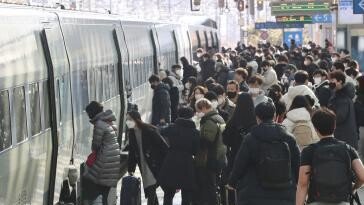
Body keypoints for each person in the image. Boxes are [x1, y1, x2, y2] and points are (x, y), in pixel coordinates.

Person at [227, 102, 300, 205]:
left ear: (257, 117)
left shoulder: (251, 138)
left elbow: (240, 164)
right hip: (285, 191)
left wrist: (232, 182)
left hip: (253, 192)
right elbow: (297, 164)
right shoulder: (289, 138)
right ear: (275, 115)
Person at [296, 108, 364, 205]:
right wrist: (353, 188)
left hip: (316, 200)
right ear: (335, 125)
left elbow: (303, 184)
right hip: (342, 201)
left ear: (315, 129)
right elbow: (362, 176)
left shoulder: (309, 151)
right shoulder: (347, 149)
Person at [158, 107, 200, 205]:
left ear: (179, 115)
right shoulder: (195, 133)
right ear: (191, 116)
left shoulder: (171, 128)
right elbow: (196, 151)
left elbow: (160, 131)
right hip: (187, 164)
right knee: (186, 194)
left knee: (168, 194)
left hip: (171, 161)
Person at [126, 111, 169, 205]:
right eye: (127, 119)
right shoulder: (132, 133)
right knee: (150, 188)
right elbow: (132, 152)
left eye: (129, 119)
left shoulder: (149, 130)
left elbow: (163, 146)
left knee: (151, 188)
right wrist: (131, 168)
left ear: (136, 119)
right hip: (143, 164)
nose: (127, 121)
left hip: (154, 164)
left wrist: (167, 163)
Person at [222, 93, 257, 205]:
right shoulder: (255, 122)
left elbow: (225, 140)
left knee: (233, 186)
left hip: (235, 155)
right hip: (253, 159)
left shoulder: (233, 121)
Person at [84, 101, 121, 204]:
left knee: (93, 186)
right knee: (104, 193)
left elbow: (96, 145)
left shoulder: (99, 124)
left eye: (88, 113)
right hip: (112, 163)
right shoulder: (108, 121)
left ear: (92, 112)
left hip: (104, 162)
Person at [193, 98, 226, 205]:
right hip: (219, 157)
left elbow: (206, 141)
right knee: (214, 185)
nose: (197, 113)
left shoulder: (209, 121)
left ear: (203, 108)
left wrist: (197, 137)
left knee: (210, 187)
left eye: (198, 111)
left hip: (210, 158)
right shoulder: (218, 117)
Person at [328, 70, 358, 149]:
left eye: (332, 80)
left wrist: (327, 121)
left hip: (343, 137)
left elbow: (340, 117)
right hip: (345, 136)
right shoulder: (338, 95)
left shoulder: (342, 98)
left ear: (340, 81)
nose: (330, 82)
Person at [355, 76, 364, 159]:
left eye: (357, 83)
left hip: (361, 126)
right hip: (361, 126)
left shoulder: (358, 97)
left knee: (360, 152)